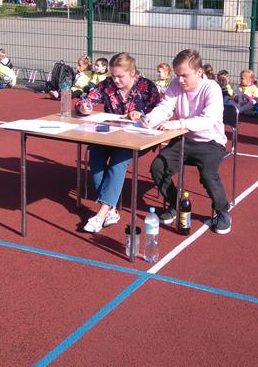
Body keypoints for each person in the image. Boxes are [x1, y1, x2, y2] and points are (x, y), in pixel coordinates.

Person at [144, 49, 232, 235]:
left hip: (211, 141)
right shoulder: (176, 85)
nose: (180, 80)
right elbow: (165, 107)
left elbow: (207, 120)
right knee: (158, 167)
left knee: (208, 174)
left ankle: (222, 211)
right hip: (184, 139)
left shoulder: (212, 89)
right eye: (178, 75)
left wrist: (177, 123)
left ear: (199, 72)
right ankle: (175, 204)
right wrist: (149, 119)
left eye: (185, 75)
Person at [77, 52, 160, 232]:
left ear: (133, 73)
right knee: (95, 155)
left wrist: (143, 116)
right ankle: (111, 209)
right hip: (111, 136)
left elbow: (158, 113)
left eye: (120, 76)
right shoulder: (107, 85)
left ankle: (101, 213)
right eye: (113, 75)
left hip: (138, 138)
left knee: (118, 161)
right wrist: (84, 107)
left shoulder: (147, 87)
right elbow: (86, 100)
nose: (115, 80)